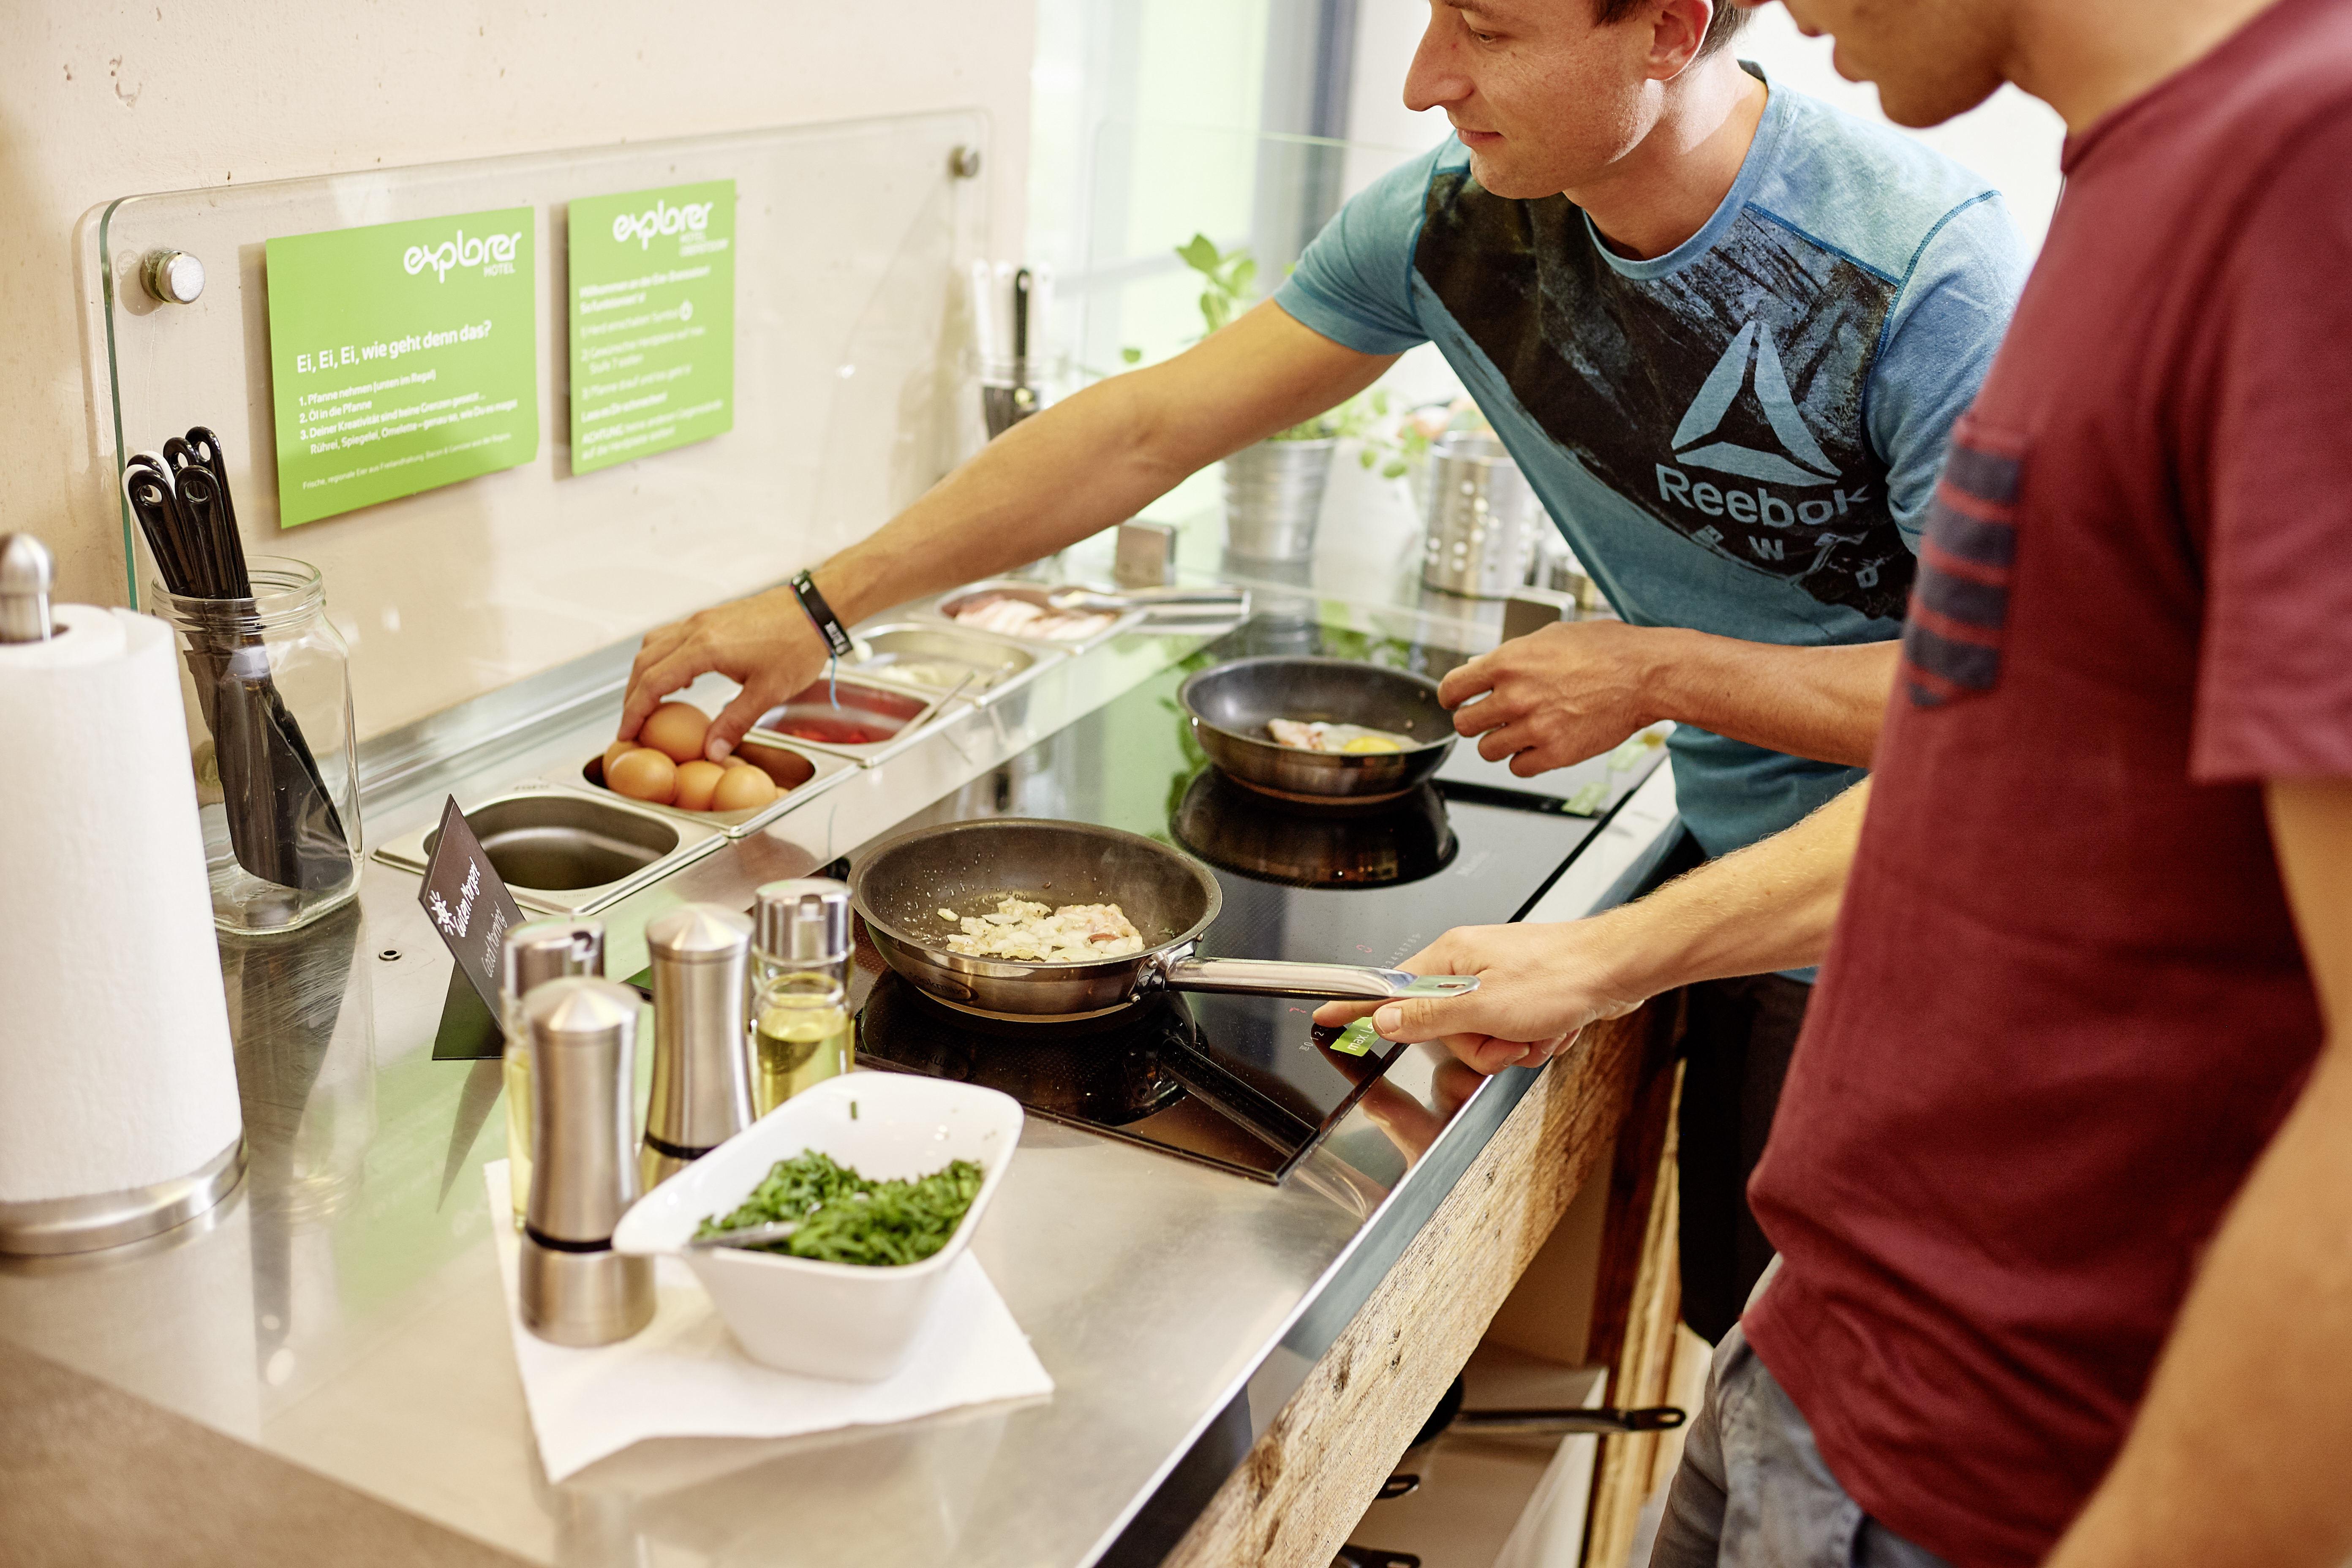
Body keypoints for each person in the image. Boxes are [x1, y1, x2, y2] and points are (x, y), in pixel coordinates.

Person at [616, 0, 2028, 1343]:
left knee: (1836, 1404)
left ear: (1668, 28)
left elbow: (2018, 719)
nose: (1427, 79)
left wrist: (1660, 672)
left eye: (1487, 29)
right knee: (1748, 1334)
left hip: (1931, 922)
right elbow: (1146, 430)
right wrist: (821, 604)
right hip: (1739, 883)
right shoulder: (1453, 222)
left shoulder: (1921, 275)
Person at [1331, 0, 2352, 1560]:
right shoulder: (2148, 179)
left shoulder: (2305, 177)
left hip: (1997, 1460)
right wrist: (1608, 958)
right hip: (1829, 1354)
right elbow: (2005, 787)